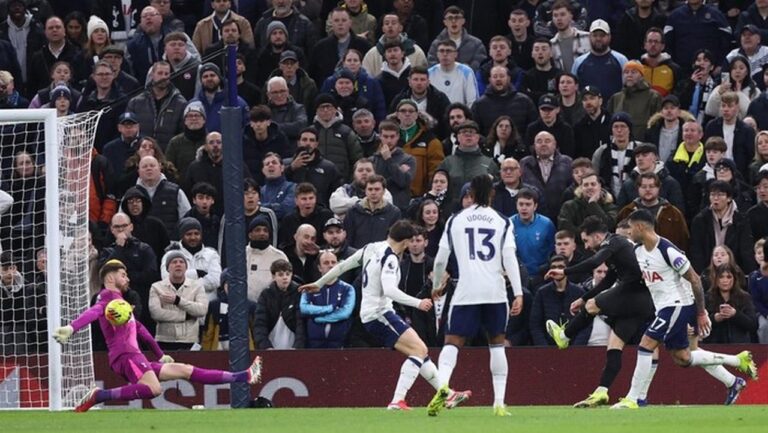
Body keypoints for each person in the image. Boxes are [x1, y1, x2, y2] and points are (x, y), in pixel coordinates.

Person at [52, 259, 263, 412]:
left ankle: (242, 376)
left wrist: (159, 354)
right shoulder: (107, 299)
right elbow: (94, 312)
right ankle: (100, 396)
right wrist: (72, 328)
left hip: (134, 355)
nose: (127, 278)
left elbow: (141, 329)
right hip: (126, 355)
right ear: (110, 277)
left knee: (184, 369)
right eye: (123, 274)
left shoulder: (120, 302)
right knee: (153, 389)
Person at [299, 220, 457, 411]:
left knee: (420, 350)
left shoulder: (371, 247)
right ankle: (397, 400)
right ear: (405, 241)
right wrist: (418, 303)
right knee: (418, 350)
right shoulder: (390, 258)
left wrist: (320, 282)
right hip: (379, 313)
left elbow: (344, 266)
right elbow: (390, 290)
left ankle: (447, 394)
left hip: (374, 313)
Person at [610, 209, 758, 409]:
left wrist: (700, 312)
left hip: (678, 304)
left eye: (629, 229)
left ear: (640, 227)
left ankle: (634, 398)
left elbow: (695, 280)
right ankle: (735, 374)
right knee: (684, 358)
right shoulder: (638, 251)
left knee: (646, 345)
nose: (628, 233)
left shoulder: (667, 250)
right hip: (663, 307)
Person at [428, 174, 523, 417]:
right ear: (491, 193)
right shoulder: (502, 221)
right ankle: (499, 403)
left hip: (466, 291)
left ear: (470, 194)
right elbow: (510, 258)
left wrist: (438, 283)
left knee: (452, 342)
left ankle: (444, 386)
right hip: (494, 291)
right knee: (497, 344)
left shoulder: (455, 220)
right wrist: (518, 292)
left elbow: (440, 259)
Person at [544, 216, 655, 408]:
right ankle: (602, 391)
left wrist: (565, 272)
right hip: (640, 301)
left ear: (597, 236)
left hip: (636, 293)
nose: (586, 246)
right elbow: (607, 281)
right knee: (614, 346)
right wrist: (583, 298)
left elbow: (593, 262)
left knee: (593, 306)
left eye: (586, 240)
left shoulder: (614, 242)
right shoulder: (617, 251)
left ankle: (564, 336)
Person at [149, 251, 208, 350]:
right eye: (174, 262)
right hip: (164, 340)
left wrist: (178, 301)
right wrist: (185, 316)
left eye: (181, 262)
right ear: (168, 268)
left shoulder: (197, 286)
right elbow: (156, 313)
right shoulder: (156, 287)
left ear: (186, 267)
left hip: (189, 340)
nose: (178, 264)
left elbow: (202, 310)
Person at [299, 250, 355, 348]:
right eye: (326, 263)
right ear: (319, 268)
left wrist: (320, 319)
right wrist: (329, 308)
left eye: (333, 262)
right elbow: (304, 308)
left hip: (339, 344)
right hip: (313, 344)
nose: (330, 265)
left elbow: (345, 312)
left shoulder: (348, 289)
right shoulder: (310, 288)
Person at [530, 255, 590, 346]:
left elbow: (586, 323)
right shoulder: (542, 293)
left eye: (561, 267)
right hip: (548, 348)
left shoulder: (579, 292)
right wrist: (543, 348)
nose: (556, 270)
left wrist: (577, 348)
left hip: (574, 348)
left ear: (567, 269)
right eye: (553, 267)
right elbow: (535, 324)